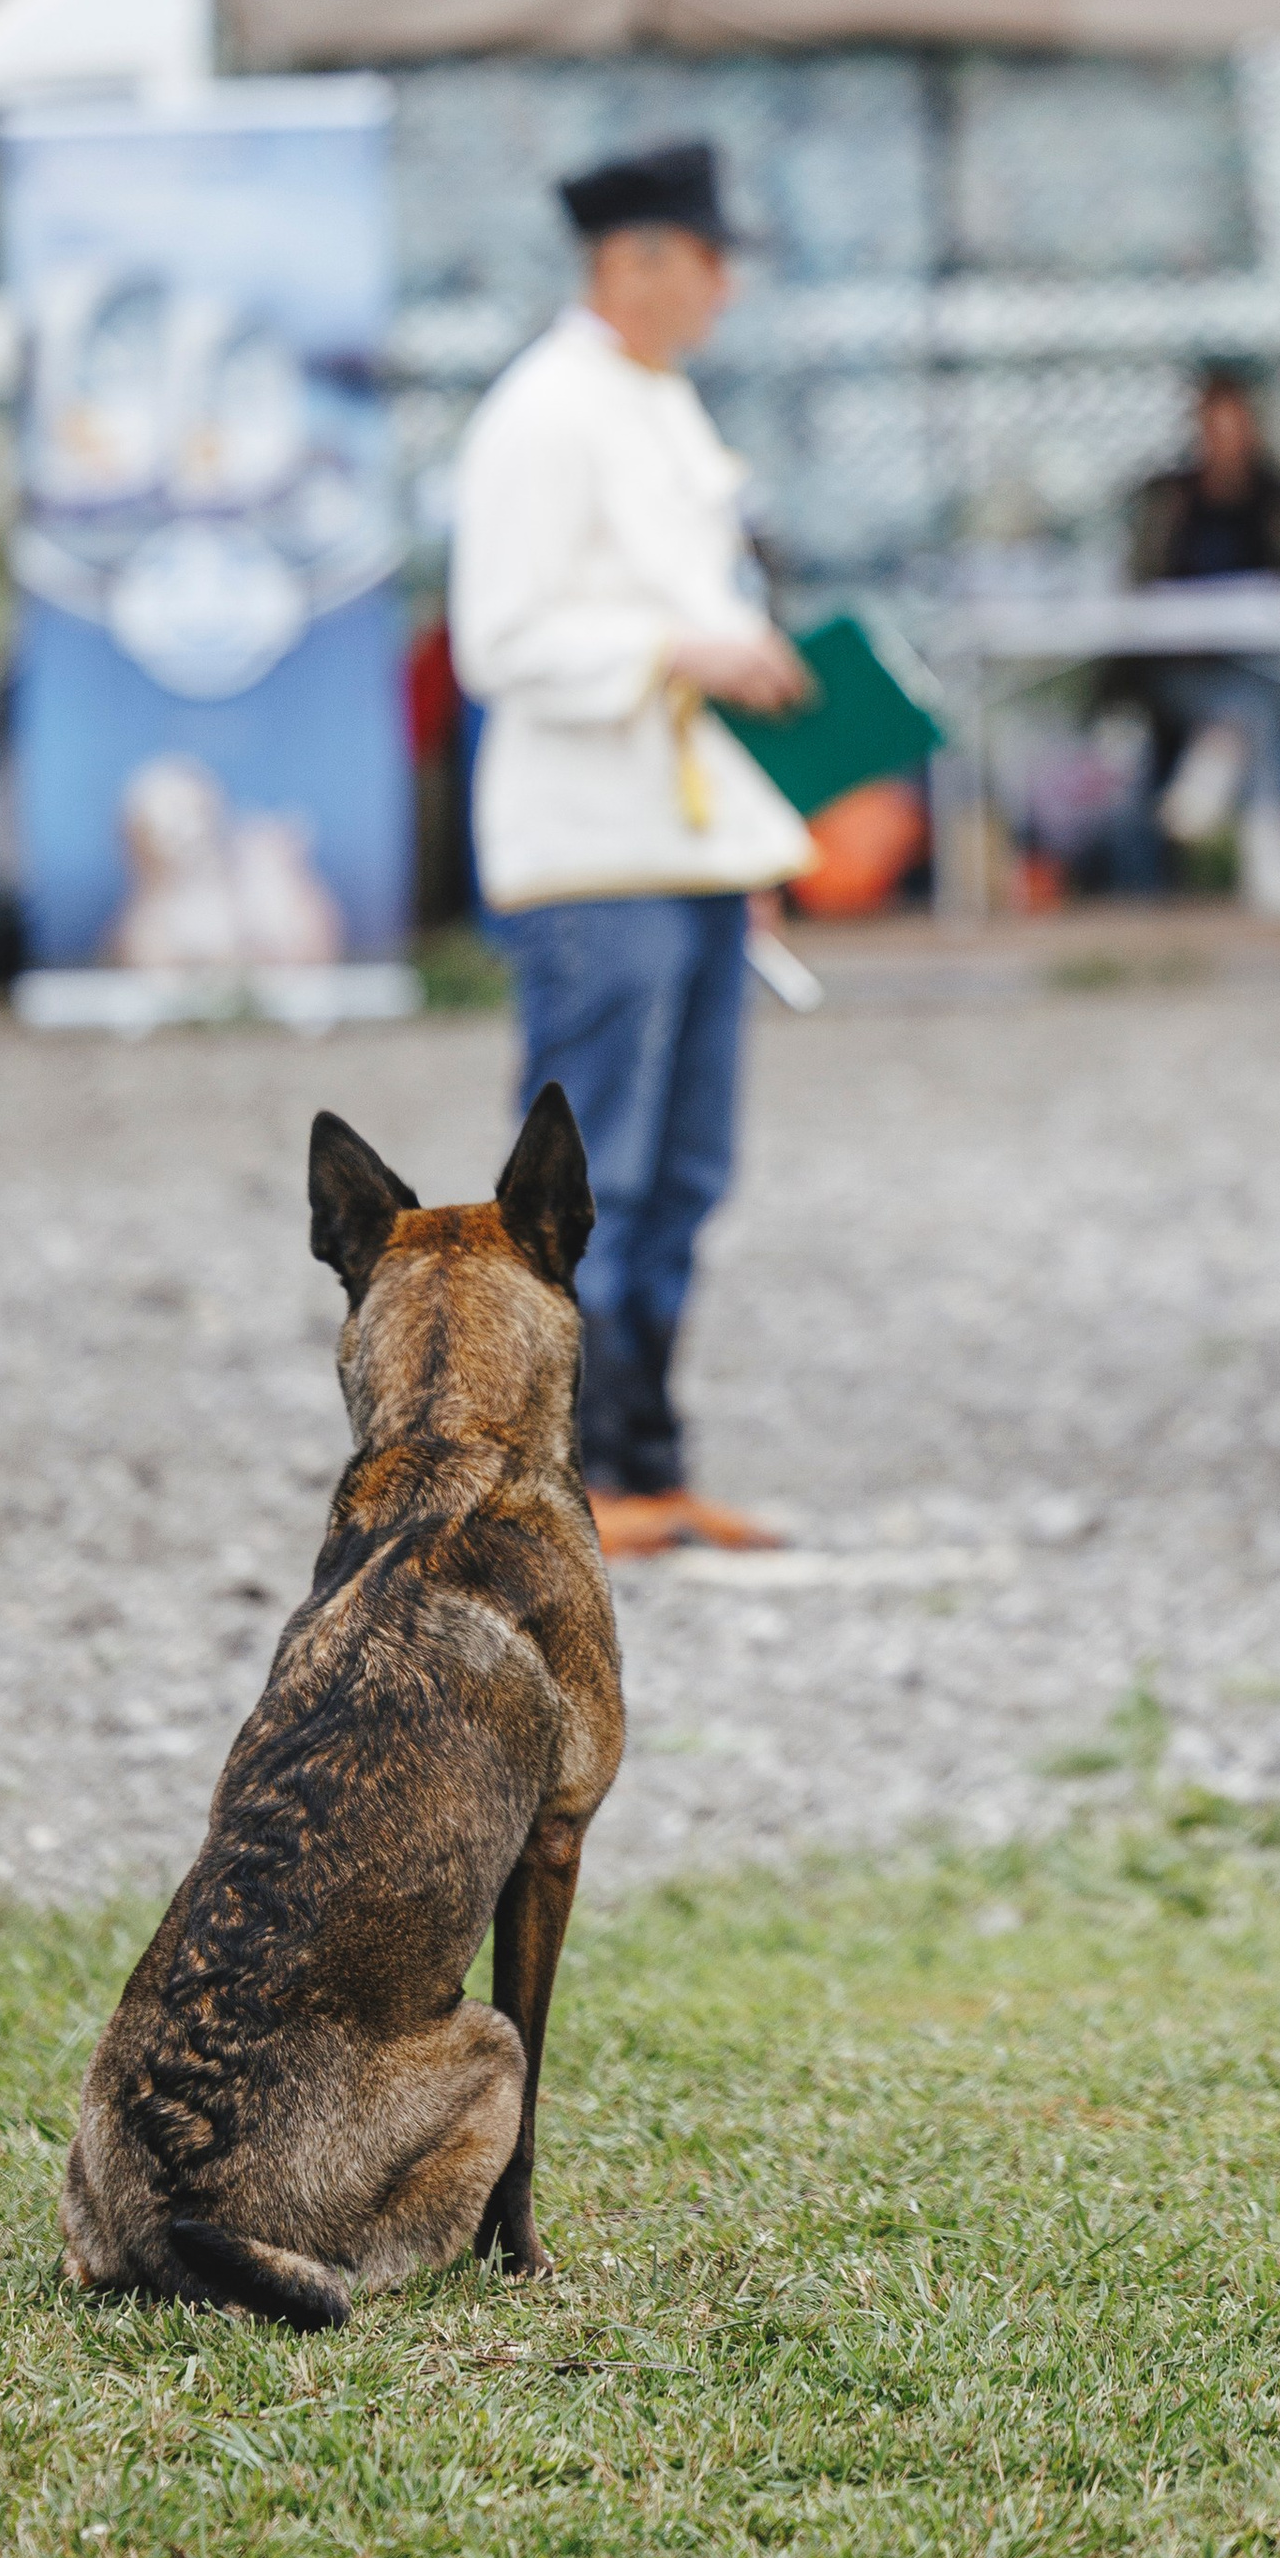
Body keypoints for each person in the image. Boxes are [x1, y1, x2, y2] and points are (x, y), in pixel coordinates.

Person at [449, 139, 813, 1558]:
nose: (725, 287)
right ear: (636, 260)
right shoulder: (544, 415)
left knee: (684, 1171)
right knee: (588, 1172)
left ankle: (645, 1458)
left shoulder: (657, 405)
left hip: (691, 841)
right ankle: (555, 1469)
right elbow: (503, 638)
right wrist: (685, 648)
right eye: (707, 256)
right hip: (592, 848)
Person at [1127, 364, 1280, 916]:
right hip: (1186, 673)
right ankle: (1276, 866)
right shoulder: (1171, 501)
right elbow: (1140, 590)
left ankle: (1213, 769)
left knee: (1254, 702)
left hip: (1268, 666)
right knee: (1256, 714)